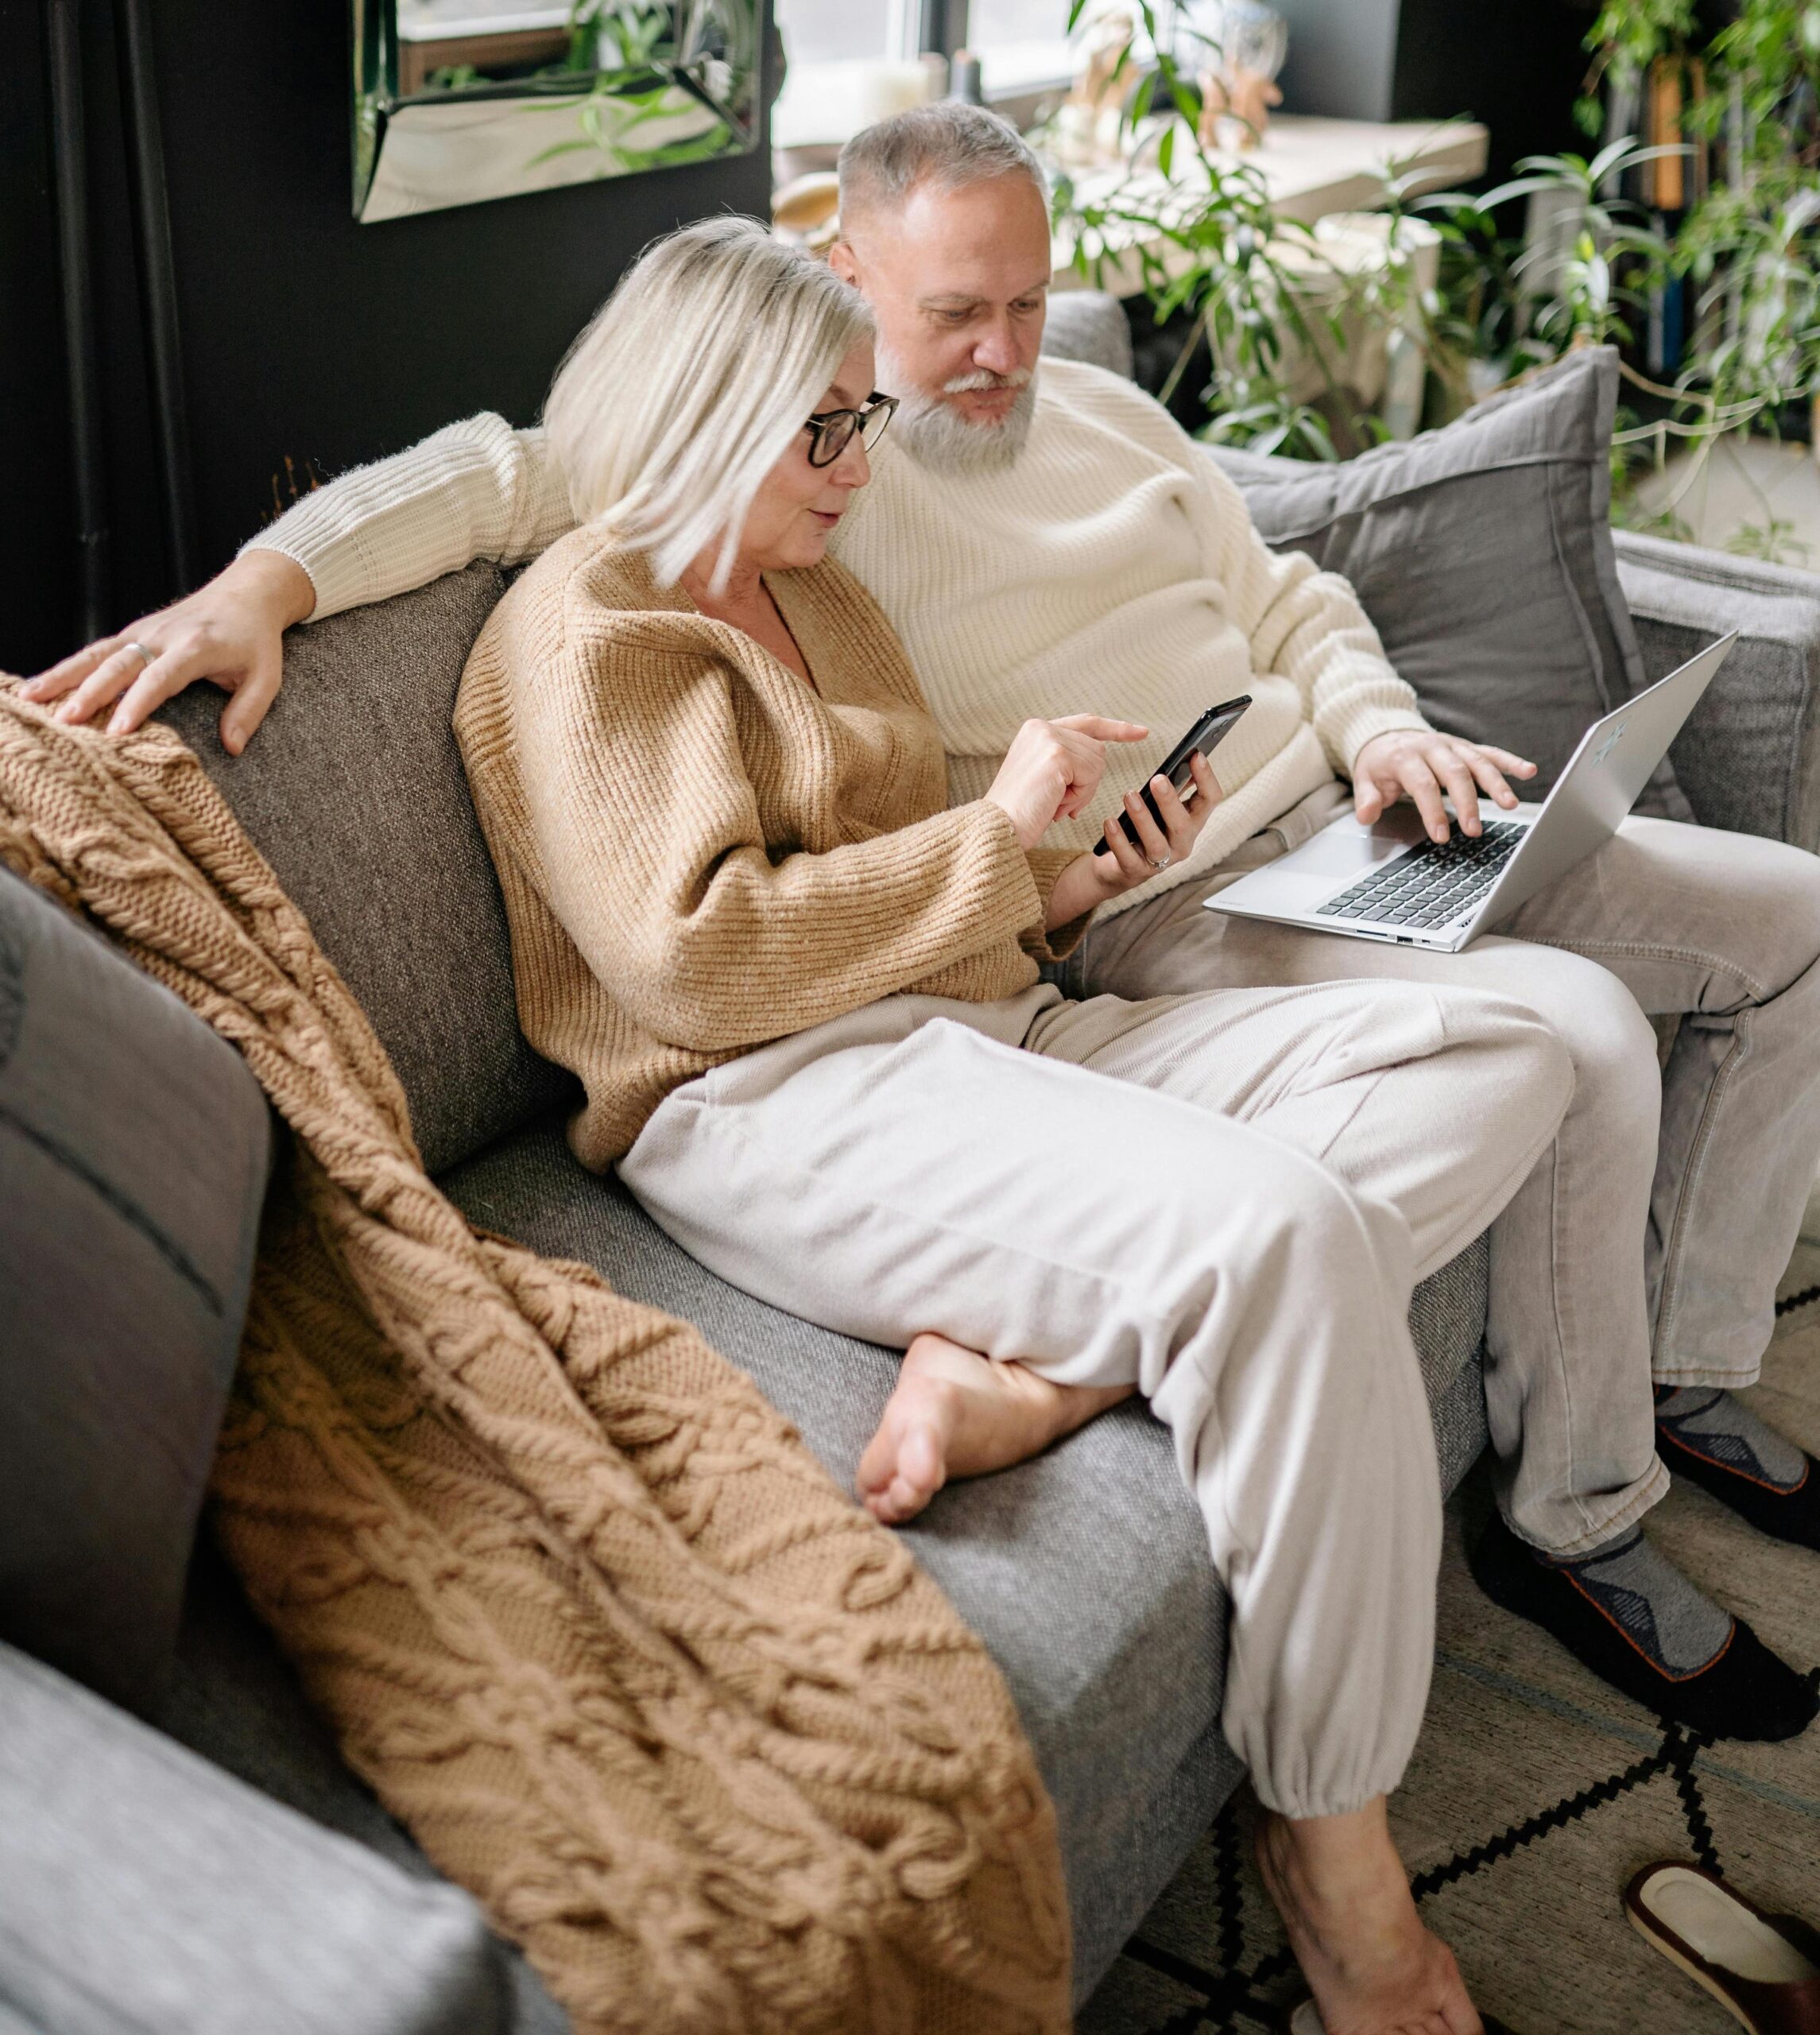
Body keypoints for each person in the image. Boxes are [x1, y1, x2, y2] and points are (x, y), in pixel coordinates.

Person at [23, 106, 1820, 1746]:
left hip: (1318, 812)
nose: (1002, 356)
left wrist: (1378, 729)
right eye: (955, 314)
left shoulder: (1044, 425)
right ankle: (1519, 1512)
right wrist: (264, 582)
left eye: (1033, 304)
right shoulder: (776, 495)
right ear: (842, 281)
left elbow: (1285, 588)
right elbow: (529, 483)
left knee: (1769, 927)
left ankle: (1626, 1368)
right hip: (1145, 906)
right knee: (1563, 1035)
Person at [450, 210, 1579, 2035]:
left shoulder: (821, 591)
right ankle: (1334, 1861)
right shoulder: (584, 631)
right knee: (1276, 1233)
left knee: (1505, 1052)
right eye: (826, 424)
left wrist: (1055, 884)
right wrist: (995, 839)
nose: (856, 458)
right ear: (713, 408)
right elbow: (694, 956)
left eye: (855, 419)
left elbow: (919, 894)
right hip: (766, 1094)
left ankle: (1039, 1370)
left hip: (986, 1021)